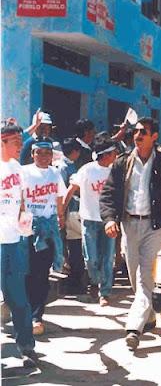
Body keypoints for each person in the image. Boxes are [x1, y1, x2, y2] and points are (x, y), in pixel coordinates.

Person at [99, 117, 161, 351]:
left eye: (143, 132)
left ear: (154, 136)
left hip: (154, 228)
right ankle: (150, 316)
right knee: (135, 278)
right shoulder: (122, 162)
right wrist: (109, 220)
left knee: (146, 279)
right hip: (128, 225)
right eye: (136, 132)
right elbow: (108, 194)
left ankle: (133, 329)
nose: (138, 135)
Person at [0, 124, 38, 367]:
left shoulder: (18, 169)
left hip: (13, 244)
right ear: (2, 141)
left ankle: (26, 346)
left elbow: (22, 200)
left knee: (19, 299)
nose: (20, 146)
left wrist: (24, 219)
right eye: (16, 142)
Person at [63, 140, 118, 306]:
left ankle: (105, 292)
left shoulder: (115, 171)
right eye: (114, 152)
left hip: (108, 221)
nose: (116, 155)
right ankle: (94, 281)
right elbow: (71, 189)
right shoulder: (87, 169)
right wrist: (61, 211)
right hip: (89, 220)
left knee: (108, 257)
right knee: (91, 257)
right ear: (107, 154)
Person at [23, 140, 67, 336]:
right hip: (27, 227)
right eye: (39, 152)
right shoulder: (24, 172)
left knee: (42, 273)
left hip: (48, 228)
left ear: (52, 155)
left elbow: (59, 197)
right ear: (32, 154)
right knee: (27, 272)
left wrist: (61, 216)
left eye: (47, 153)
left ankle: (36, 316)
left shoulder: (55, 173)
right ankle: (25, 313)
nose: (43, 156)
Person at [54, 138, 85, 293]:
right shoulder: (63, 167)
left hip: (72, 210)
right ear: (74, 151)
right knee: (72, 246)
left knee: (74, 246)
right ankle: (73, 280)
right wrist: (61, 214)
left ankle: (76, 279)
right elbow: (63, 193)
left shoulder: (70, 166)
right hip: (69, 211)